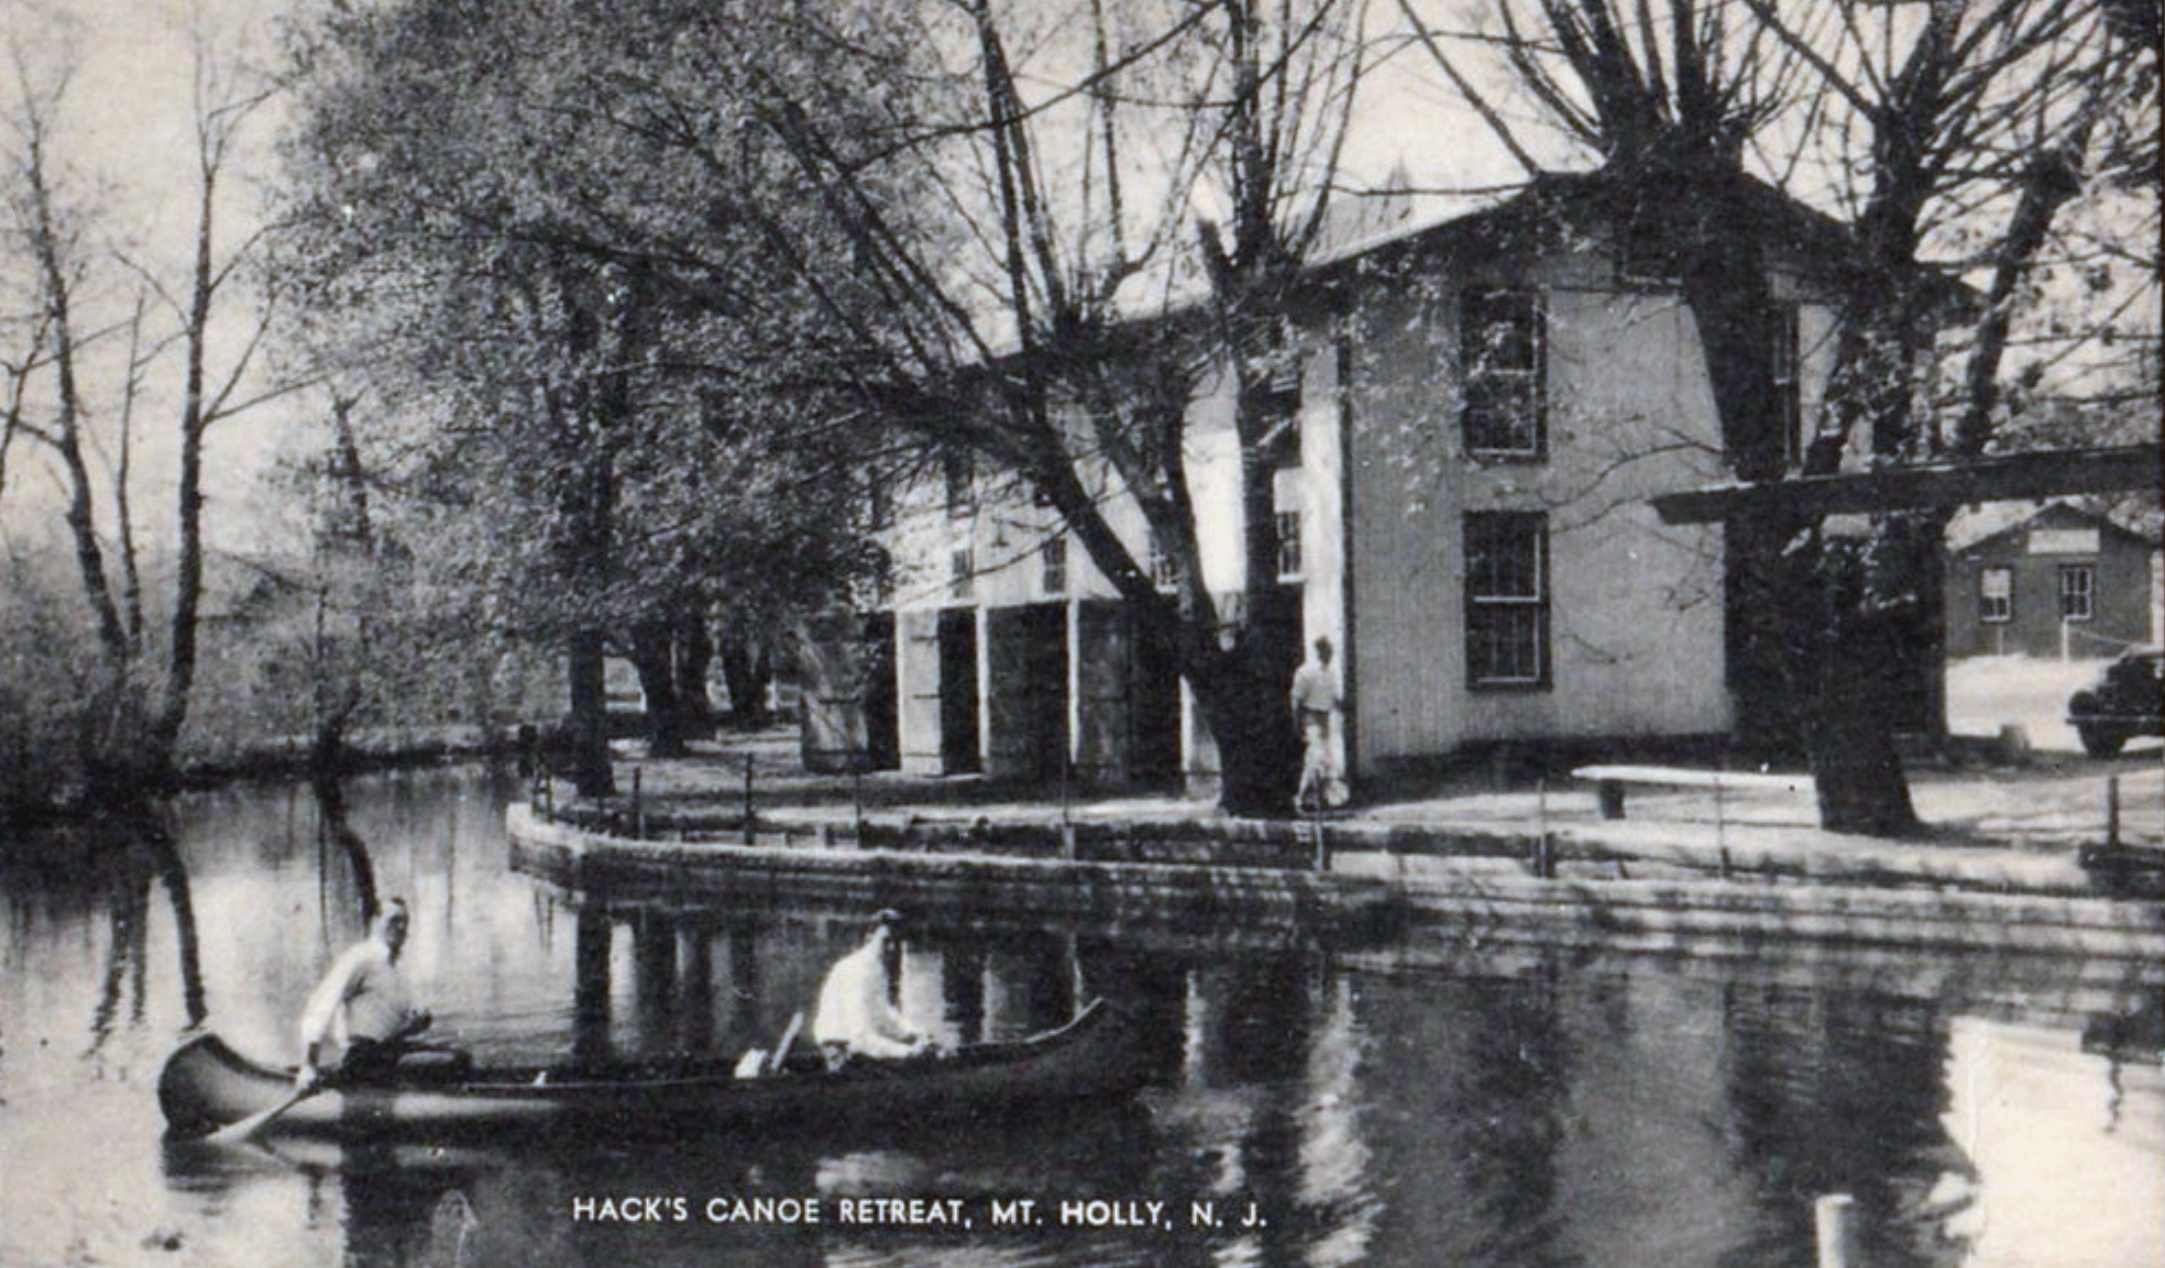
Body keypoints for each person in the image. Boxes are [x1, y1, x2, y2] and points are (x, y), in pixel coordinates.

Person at [295, 898, 434, 1090]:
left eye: (405, 921)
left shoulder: (397, 968)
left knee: (457, 1058)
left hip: (390, 1051)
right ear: (375, 922)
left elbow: (393, 1024)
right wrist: (308, 1066)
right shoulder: (360, 957)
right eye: (394, 920)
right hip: (362, 1056)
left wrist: (416, 1024)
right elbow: (320, 1007)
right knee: (445, 1062)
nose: (402, 927)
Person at [811, 909, 931, 1063]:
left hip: (858, 1047)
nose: (892, 949)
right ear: (869, 938)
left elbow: (883, 1015)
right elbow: (860, 1037)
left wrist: (914, 1034)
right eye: (886, 941)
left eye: (897, 942)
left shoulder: (876, 969)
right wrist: (907, 1052)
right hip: (842, 1051)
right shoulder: (855, 970)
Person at [1290, 635, 1349, 812]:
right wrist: (1297, 723)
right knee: (1315, 758)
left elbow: (1334, 698)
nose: (1328, 655)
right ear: (1318, 651)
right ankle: (1301, 798)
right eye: (1325, 651)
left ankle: (1322, 799)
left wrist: (1343, 708)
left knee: (1327, 760)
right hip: (1310, 717)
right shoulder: (1306, 672)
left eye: (1330, 651)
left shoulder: (1330, 673)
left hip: (1324, 718)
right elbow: (1296, 701)